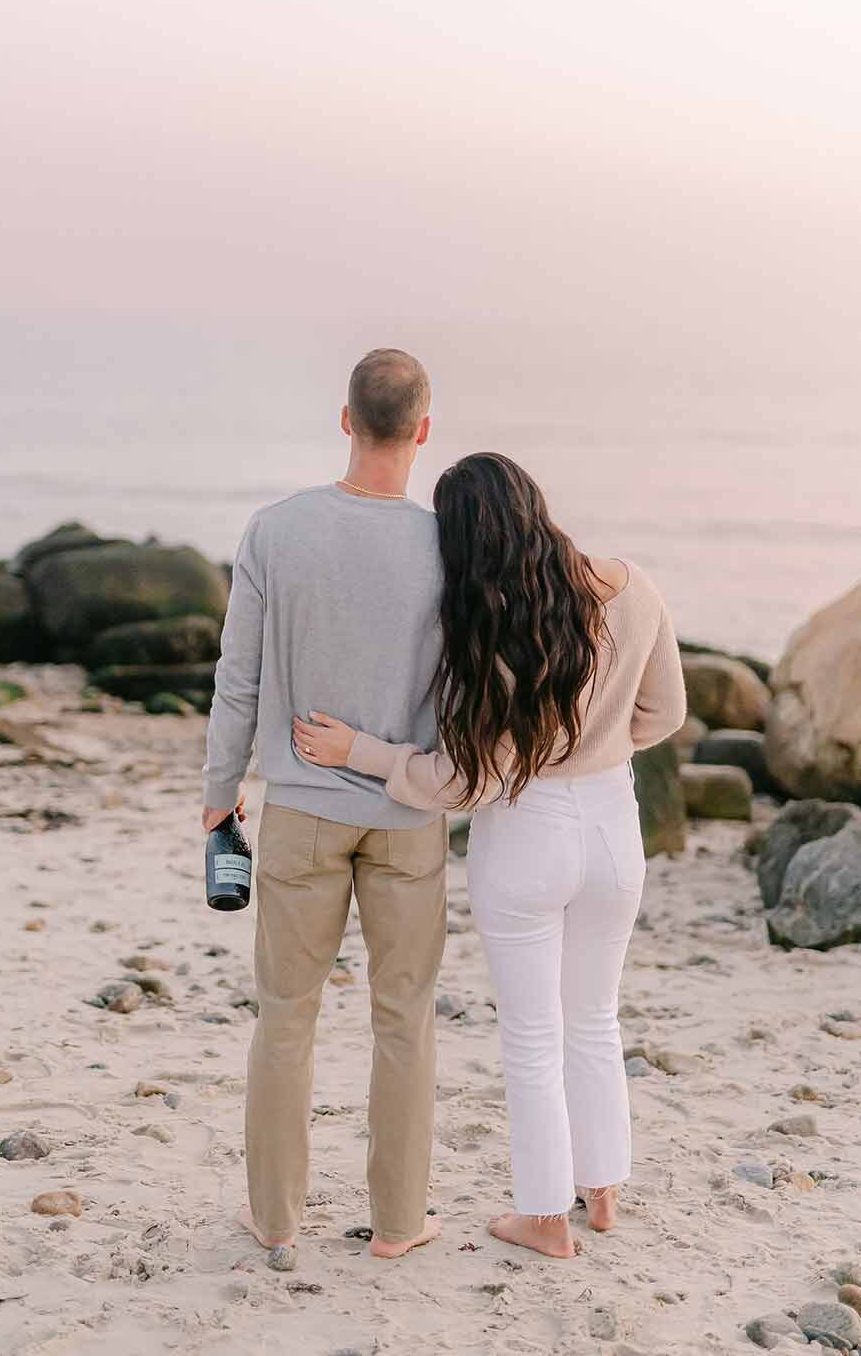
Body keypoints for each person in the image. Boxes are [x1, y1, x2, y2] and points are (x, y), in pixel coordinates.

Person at [293, 452, 687, 1260]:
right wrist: (601, 749)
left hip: (527, 835)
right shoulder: (632, 585)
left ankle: (543, 1219)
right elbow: (668, 712)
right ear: (536, 505)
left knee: (533, 1037)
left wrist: (358, 751)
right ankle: (601, 1194)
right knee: (596, 1018)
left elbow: (454, 784)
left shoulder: (491, 628)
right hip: (615, 826)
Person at [202, 348, 448, 1263]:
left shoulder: (276, 531)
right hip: (406, 814)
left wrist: (217, 791)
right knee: (404, 1019)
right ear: (421, 429)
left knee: (285, 1016)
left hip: (299, 811)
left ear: (345, 419)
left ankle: (274, 1219)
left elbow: (239, 680)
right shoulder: (445, 547)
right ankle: (396, 1226)